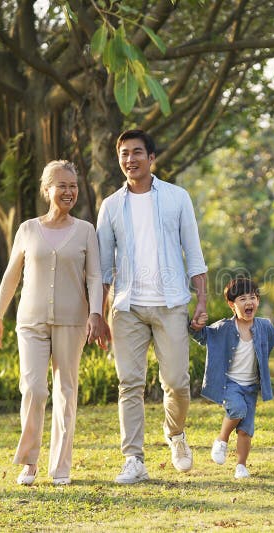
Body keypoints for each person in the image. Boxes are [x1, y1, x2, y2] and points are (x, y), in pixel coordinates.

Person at [96, 129, 208, 484]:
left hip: (170, 303)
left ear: (151, 158)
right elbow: (101, 267)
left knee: (177, 382)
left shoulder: (177, 198)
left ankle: (175, 433)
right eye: (124, 154)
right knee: (129, 384)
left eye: (137, 152)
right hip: (127, 307)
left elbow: (194, 251)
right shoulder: (110, 205)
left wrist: (202, 300)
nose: (130, 159)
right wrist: (97, 314)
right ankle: (133, 459)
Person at [0, 160, 107, 486]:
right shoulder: (27, 229)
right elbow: (12, 275)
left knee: (66, 392)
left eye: (73, 186)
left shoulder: (85, 230)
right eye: (62, 185)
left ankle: (61, 466)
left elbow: (95, 277)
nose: (68, 191)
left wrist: (96, 313)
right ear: (47, 189)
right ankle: (29, 461)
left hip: (72, 320)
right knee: (34, 389)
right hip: (30, 321)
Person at [190, 277, 274, 479]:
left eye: (253, 298)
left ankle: (241, 466)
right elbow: (202, 336)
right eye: (242, 299)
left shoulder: (264, 326)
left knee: (246, 430)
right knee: (237, 409)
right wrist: (196, 326)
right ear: (232, 304)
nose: (249, 302)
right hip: (230, 383)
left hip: (251, 387)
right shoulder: (223, 328)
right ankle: (222, 440)